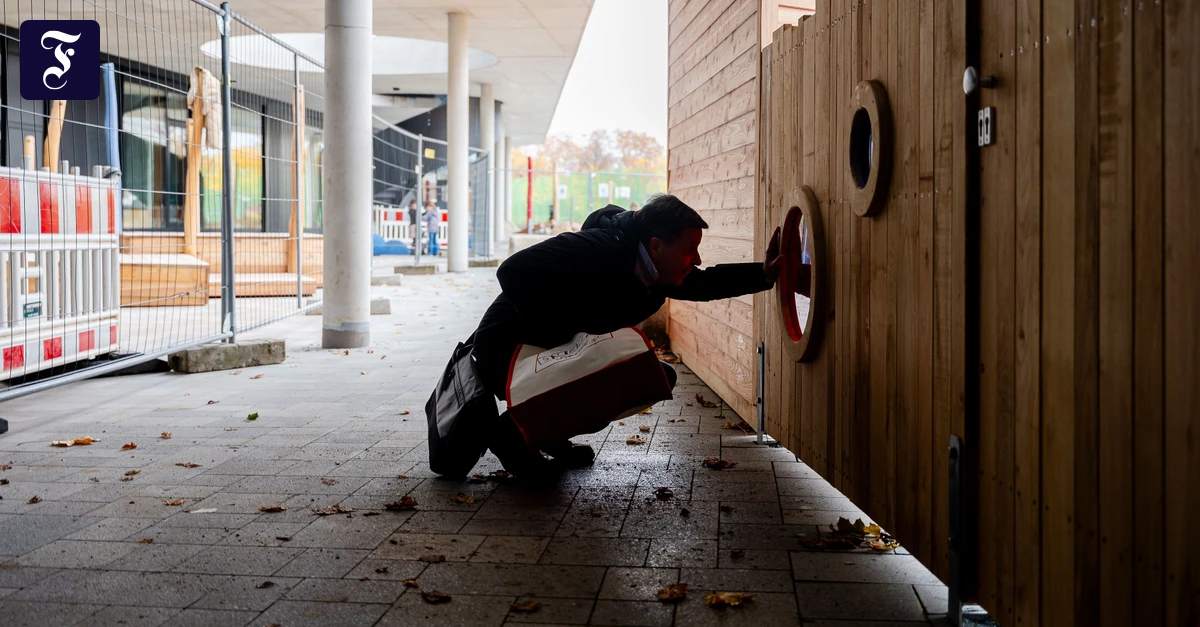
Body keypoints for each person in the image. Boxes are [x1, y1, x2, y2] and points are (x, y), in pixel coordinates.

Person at [468, 193, 784, 478]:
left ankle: (546, 434)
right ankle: (512, 434)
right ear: (657, 245)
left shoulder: (658, 272)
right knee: (606, 375)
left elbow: (705, 284)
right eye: (690, 249)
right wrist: (566, 336)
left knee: (654, 377)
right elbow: (512, 270)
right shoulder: (601, 248)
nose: (697, 259)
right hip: (507, 349)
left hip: (552, 351)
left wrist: (764, 273)